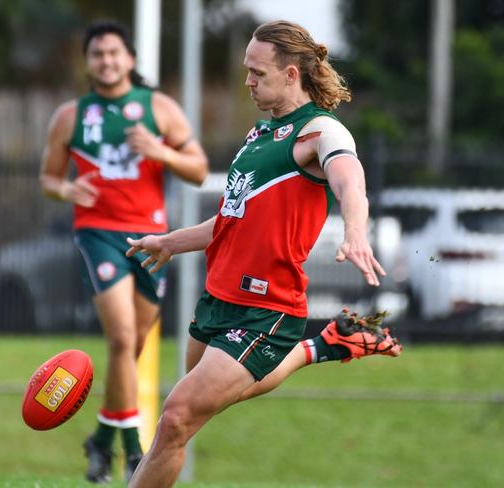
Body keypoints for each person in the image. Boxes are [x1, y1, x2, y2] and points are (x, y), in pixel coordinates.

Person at [124, 20, 402, 487]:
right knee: (187, 415)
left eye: (258, 73)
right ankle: (324, 346)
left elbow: (349, 177)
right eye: (247, 71)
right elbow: (233, 218)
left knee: (174, 419)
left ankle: (316, 345)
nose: (248, 81)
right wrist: (171, 242)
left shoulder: (318, 132)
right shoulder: (260, 135)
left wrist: (356, 230)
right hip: (219, 297)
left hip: (265, 309)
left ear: (292, 74)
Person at [39, 20, 209, 484]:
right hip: (97, 234)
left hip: (151, 238)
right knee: (120, 339)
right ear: (88, 61)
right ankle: (133, 446)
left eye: (114, 53)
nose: (106, 61)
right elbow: (49, 179)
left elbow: (197, 170)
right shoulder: (71, 116)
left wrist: (161, 152)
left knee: (131, 346)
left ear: (130, 59)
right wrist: (67, 189)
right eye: (97, 54)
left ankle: (100, 437)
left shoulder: (158, 108)